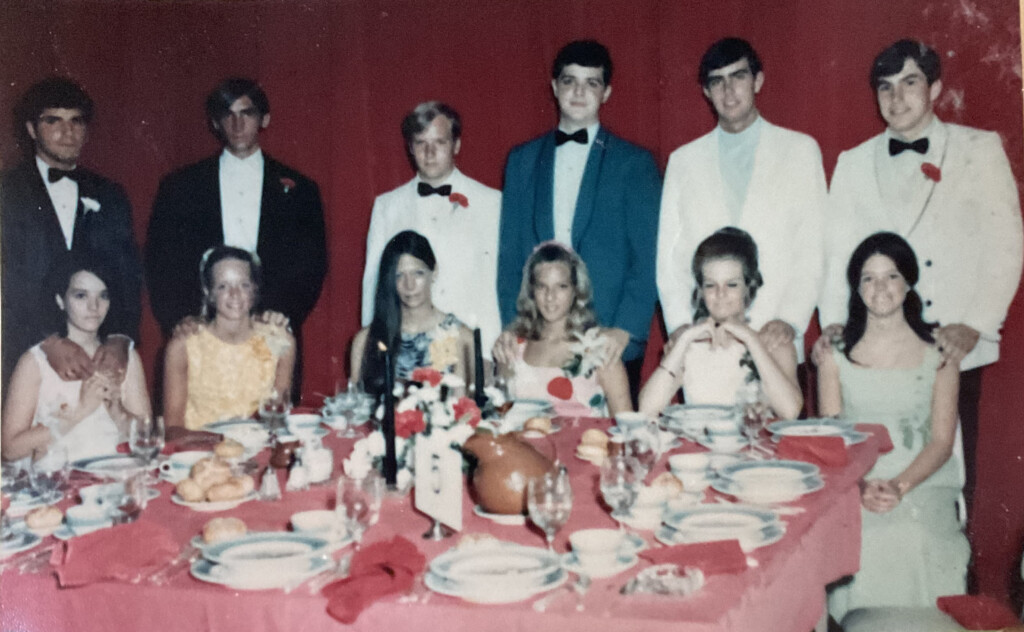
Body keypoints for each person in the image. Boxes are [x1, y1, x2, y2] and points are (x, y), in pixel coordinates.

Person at [819, 40, 1023, 516]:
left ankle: (948, 575)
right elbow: (836, 253)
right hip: (875, 343)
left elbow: (1006, 246)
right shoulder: (853, 161)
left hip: (952, 341)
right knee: (869, 467)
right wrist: (834, 322)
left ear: (934, 87)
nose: (896, 98)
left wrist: (976, 324)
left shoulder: (979, 148)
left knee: (949, 469)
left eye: (910, 83)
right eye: (885, 88)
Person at [497, 40, 661, 401]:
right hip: (538, 339)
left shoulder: (634, 164)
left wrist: (626, 330)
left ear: (607, 92)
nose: (578, 92)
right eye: (570, 81)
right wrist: (514, 326)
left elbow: (648, 256)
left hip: (608, 339)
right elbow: (509, 255)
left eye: (591, 83)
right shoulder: (522, 161)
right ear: (554, 87)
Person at [817, 232, 967, 624]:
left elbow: (941, 441)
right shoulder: (834, 354)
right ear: (856, 286)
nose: (880, 288)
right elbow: (833, 437)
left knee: (910, 537)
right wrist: (862, 486)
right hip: (855, 479)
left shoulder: (941, 353)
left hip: (921, 479)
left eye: (891, 276)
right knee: (864, 537)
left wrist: (899, 486)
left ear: (909, 282)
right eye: (868, 278)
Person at [145, 77, 326, 395]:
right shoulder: (180, 186)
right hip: (202, 332)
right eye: (228, 114)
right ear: (216, 122)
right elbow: (161, 261)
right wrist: (180, 317)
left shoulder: (300, 189)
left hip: (271, 331)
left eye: (248, 113)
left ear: (264, 119)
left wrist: (280, 313)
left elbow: (311, 264)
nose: (238, 123)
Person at [658, 38, 825, 361]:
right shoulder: (684, 161)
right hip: (704, 338)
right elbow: (670, 258)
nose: (728, 90)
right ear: (706, 91)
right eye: (717, 81)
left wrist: (789, 319)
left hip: (774, 336)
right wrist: (680, 325)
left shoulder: (800, 151)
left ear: (758, 81)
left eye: (738, 76)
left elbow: (812, 248)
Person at [1, 77, 143, 396]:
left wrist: (121, 338)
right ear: (31, 129)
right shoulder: (7, 192)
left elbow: (127, 277)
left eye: (76, 121)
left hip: (99, 357)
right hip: (27, 354)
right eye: (53, 120)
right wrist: (48, 341)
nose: (67, 132)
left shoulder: (111, 194)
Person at [361, 101, 502, 358]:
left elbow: (499, 281)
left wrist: (491, 352)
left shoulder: (492, 203)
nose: (429, 153)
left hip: (470, 345)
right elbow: (374, 282)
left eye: (439, 142)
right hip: (406, 346)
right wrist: (375, 348)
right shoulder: (387, 206)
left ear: (456, 145)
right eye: (421, 143)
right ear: (410, 148)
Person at [1, 256, 150, 465]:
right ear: (60, 300)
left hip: (116, 475)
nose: (94, 306)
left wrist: (116, 408)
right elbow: (9, 449)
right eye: (81, 296)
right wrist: (80, 410)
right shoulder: (35, 361)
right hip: (57, 482)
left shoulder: (125, 357)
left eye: (103, 296)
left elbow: (148, 437)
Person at [640, 228, 801, 419]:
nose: (720, 293)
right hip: (699, 446)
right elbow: (646, 410)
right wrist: (684, 340)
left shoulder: (775, 345)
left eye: (731, 284)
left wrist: (751, 339)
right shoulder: (690, 346)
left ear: (748, 287)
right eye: (710, 285)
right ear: (700, 291)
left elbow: (790, 411)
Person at [163, 246, 295, 430]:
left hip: (259, 451)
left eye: (244, 285)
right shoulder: (184, 345)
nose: (235, 294)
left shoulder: (279, 341)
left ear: (254, 289)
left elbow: (278, 418)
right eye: (223, 286)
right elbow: (172, 428)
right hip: (200, 452)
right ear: (209, 293)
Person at [497, 241, 631, 417]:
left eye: (561, 286)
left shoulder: (599, 349)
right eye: (541, 286)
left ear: (576, 290)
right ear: (531, 291)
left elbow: (626, 427)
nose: (550, 297)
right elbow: (501, 417)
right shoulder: (513, 348)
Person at [352, 231, 474, 394]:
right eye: (399, 276)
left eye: (418, 273)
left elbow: (468, 410)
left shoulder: (461, 337)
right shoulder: (366, 340)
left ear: (434, 272)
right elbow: (354, 408)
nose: (409, 285)